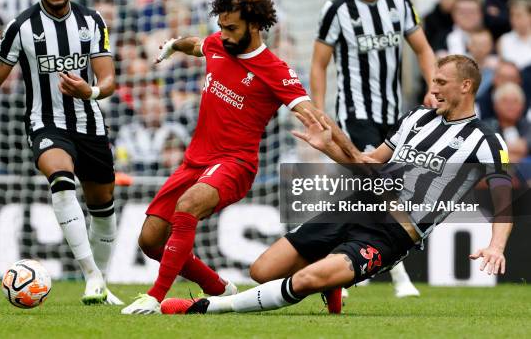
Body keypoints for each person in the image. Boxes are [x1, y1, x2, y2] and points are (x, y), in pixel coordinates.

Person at [162, 55, 513, 316]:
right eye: (433, 81)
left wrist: (496, 246)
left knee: (304, 281)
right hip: (358, 204)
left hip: (392, 233)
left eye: (440, 83)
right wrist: (328, 146)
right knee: (261, 271)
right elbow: (371, 162)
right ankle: (333, 283)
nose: (432, 88)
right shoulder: (417, 118)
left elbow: (504, 200)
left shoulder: (486, 141)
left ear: (465, 86)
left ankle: (208, 307)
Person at [121, 0, 361, 315]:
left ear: (254, 25)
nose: (224, 34)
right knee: (149, 241)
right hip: (194, 161)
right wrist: (175, 45)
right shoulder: (219, 44)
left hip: (235, 164)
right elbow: (198, 44)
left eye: (231, 28)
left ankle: (155, 296)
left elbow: (317, 117)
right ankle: (219, 288)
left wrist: (358, 159)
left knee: (188, 206)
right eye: (220, 27)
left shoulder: (276, 70)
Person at [0, 0, 122, 305]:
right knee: (62, 180)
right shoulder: (21, 27)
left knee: (103, 207)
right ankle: (91, 274)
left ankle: (102, 282)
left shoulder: (92, 21)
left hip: (90, 123)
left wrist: (91, 91)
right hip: (45, 123)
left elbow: (109, 78)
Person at [310, 0, 435, 297]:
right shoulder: (336, 10)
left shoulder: (399, 3)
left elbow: (423, 48)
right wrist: (318, 111)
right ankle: (397, 275)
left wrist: (434, 87)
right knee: (377, 185)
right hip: (355, 114)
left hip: (394, 116)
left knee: (369, 190)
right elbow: (319, 64)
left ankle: (340, 260)